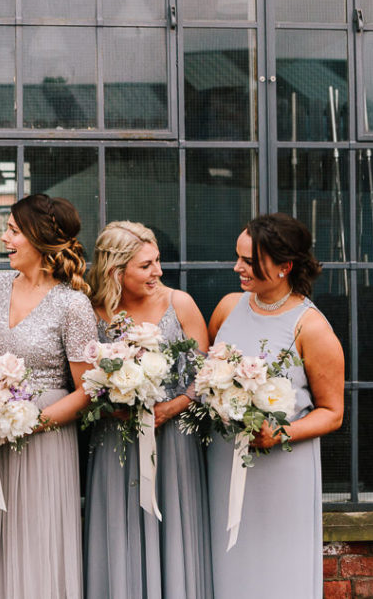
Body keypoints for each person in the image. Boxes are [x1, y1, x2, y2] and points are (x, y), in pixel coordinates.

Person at [0, 194, 96, 599]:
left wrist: (30, 422)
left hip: (44, 438)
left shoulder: (74, 305)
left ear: (39, 239)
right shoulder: (0, 286)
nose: (4, 239)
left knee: (35, 539)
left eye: (13, 231)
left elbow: (87, 391)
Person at [207, 213, 344, 598]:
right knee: (228, 563)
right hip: (224, 461)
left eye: (249, 262)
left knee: (278, 568)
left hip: (281, 468)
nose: (238, 267)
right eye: (238, 257)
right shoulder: (228, 307)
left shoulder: (311, 328)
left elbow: (333, 412)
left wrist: (280, 432)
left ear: (285, 266)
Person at [82, 221, 213, 598]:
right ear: (115, 271)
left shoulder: (180, 303)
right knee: (118, 528)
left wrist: (169, 409)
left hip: (172, 442)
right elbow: (84, 383)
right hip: (115, 443)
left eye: (157, 261)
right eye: (146, 265)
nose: (157, 271)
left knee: (174, 529)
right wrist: (111, 406)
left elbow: (204, 377)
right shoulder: (93, 314)